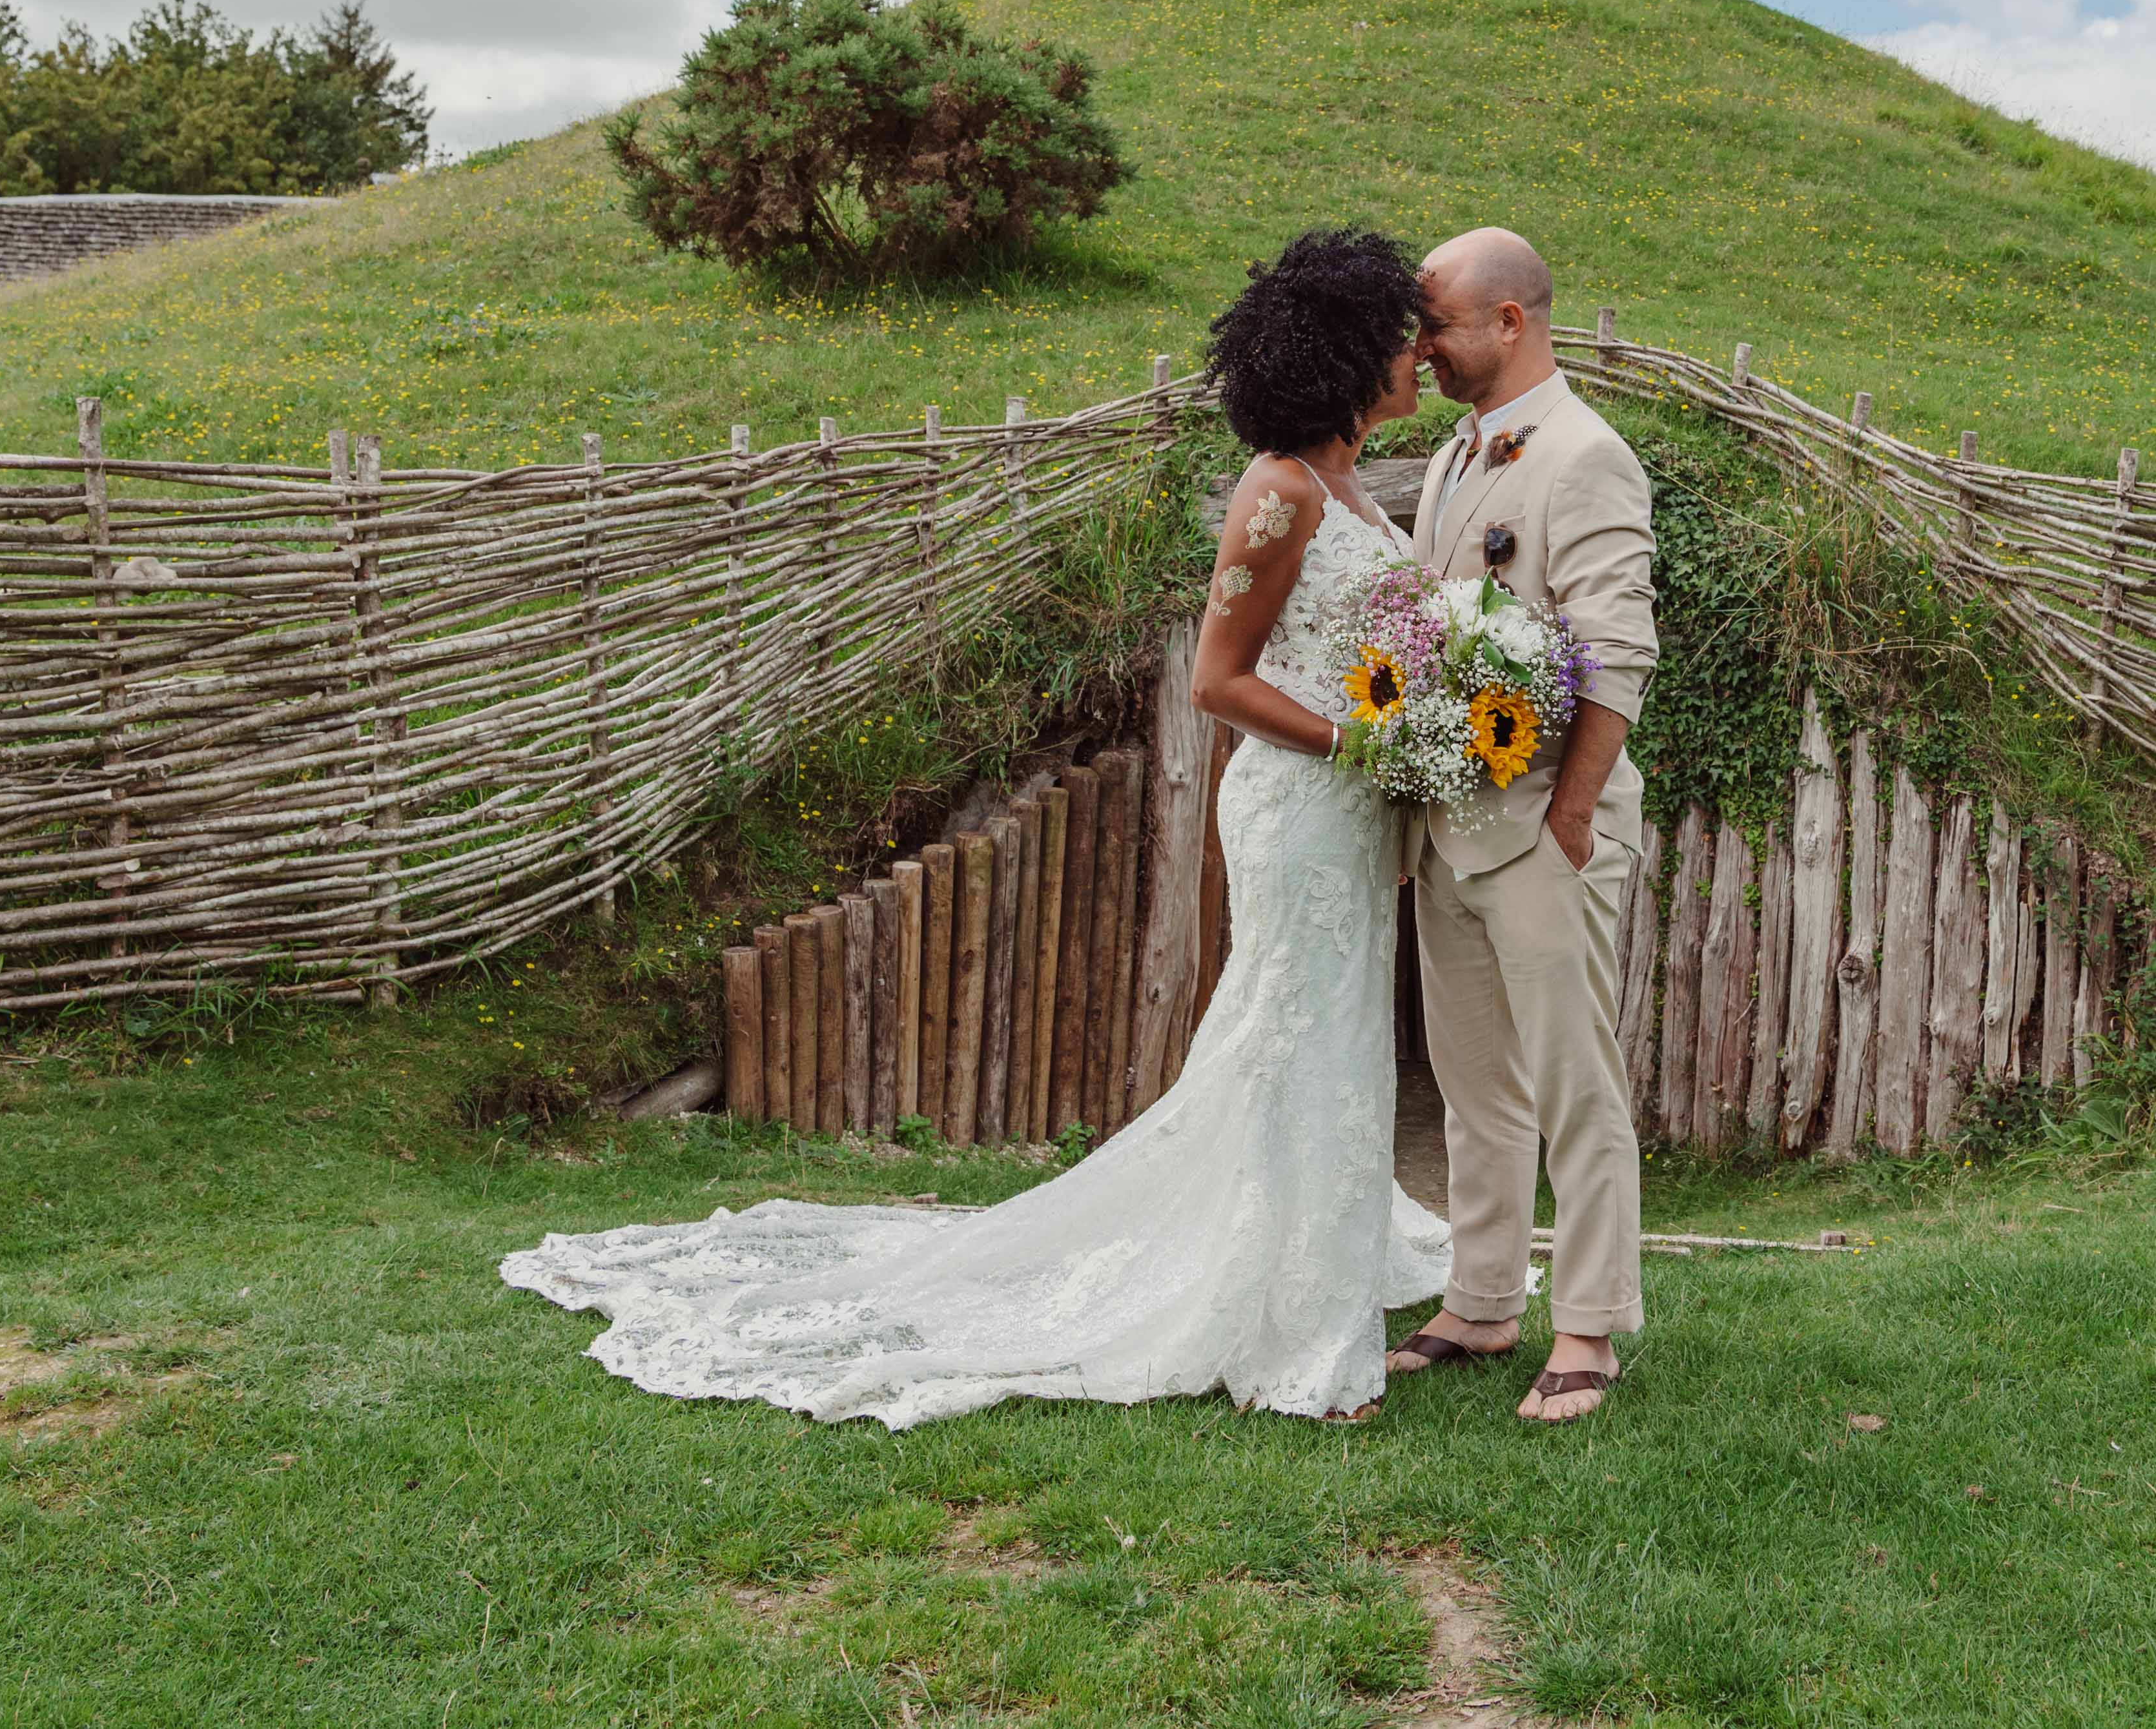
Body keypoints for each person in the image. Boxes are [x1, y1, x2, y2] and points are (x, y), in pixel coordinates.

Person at [499, 227, 1452, 1427]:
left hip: (1349, 816)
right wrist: (1360, 742)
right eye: (1399, 337)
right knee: (1292, 1035)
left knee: (1325, 1035)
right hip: (1300, 805)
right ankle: (1292, 1333)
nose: (1419, 354)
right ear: (1347, 351)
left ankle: (1313, 1267)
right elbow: (1217, 681)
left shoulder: (1356, 485)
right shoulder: (1279, 488)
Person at [1386, 227, 1657, 1425]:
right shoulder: (1453, 453)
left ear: (1510, 322)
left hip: (1547, 822)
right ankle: (1483, 1298)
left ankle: (1590, 1323)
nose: (1421, 351)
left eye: (1435, 326)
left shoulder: (1585, 455)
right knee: (1472, 1082)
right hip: (1452, 817)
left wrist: (1573, 812)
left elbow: (1614, 649)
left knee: (1572, 1079)